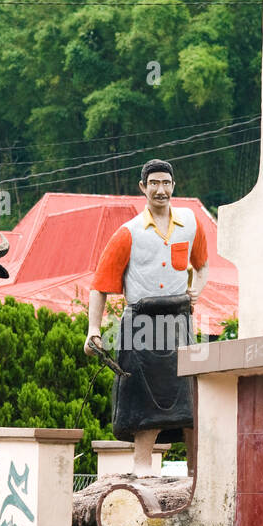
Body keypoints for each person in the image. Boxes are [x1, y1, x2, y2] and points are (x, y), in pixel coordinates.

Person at [85, 159, 209, 475]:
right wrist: (93, 329)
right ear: (143, 187)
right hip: (140, 323)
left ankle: (197, 472)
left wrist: (198, 289)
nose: (160, 189)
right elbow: (99, 286)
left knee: (189, 400)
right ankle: (142, 468)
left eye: (166, 182)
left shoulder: (191, 223)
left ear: (173, 185)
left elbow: (203, 263)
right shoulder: (128, 233)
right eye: (153, 183)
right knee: (144, 399)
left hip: (180, 322)